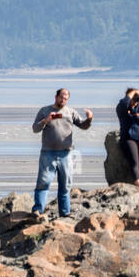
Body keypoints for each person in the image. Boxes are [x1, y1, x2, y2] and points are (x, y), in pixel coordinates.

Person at [32, 87, 93, 218]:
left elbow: (83, 125)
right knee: (43, 182)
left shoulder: (70, 112)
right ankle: (38, 210)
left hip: (66, 154)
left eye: (66, 98)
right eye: (61, 97)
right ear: (56, 96)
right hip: (48, 153)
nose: (63, 100)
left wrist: (89, 119)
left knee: (65, 185)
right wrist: (45, 121)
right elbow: (35, 128)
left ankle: (65, 213)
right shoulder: (45, 110)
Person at [116, 88, 139, 191]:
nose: (137, 100)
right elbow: (125, 102)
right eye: (135, 98)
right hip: (128, 138)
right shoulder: (122, 107)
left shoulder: (138, 108)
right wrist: (133, 92)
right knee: (134, 162)